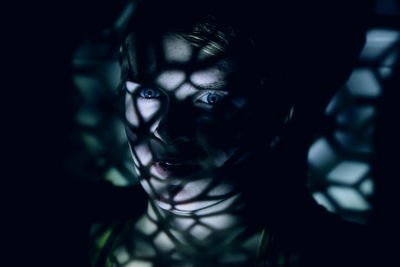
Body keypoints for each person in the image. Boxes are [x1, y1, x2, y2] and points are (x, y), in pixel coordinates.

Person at [91, 0, 375, 266]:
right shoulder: (68, 229)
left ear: (276, 115)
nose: (170, 130)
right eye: (149, 92)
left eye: (211, 99)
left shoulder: (347, 256)